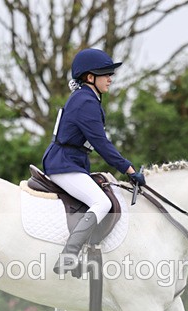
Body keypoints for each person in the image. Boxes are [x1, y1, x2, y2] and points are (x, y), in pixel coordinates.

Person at [42, 48, 146, 276]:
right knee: (101, 202)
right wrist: (129, 170)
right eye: (106, 74)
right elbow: (101, 144)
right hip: (64, 164)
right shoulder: (85, 102)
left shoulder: (87, 98)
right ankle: (68, 256)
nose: (110, 78)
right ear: (90, 77)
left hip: (72, 162)